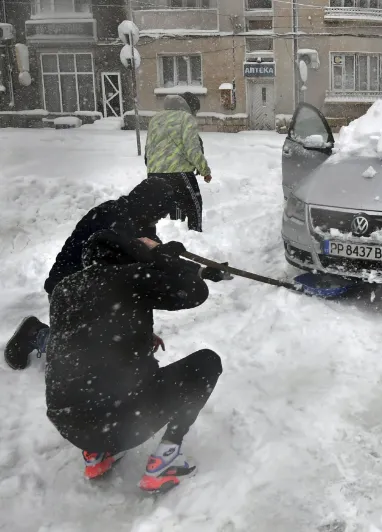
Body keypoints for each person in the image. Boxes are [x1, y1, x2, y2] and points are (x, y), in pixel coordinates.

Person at [45, 230, 229, 492]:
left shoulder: (64, 289)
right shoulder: (129, 277)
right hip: (123, 421)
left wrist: (137, 332)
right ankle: (166, 461)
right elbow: (195, 292)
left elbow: (81, 336)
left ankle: (97, 455)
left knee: (88, 379)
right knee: (207, 363)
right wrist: (165, 258)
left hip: (69, 424)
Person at [4, 177, 177, 371]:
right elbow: (127, 275)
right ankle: (35, 334)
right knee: (89, 356)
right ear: (148, 205)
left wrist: (198, 269)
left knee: (117, 347)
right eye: (159, 213)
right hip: (68, 290)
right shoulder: (112, 218)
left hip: (97, 290)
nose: (160, 219)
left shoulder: (141, 221)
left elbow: (154, 264)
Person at [145, 93, 212, 233]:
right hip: (179, 173)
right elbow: (192, 149)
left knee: (174, 207)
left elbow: (148, 149)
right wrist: (205, 170)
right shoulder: (186, 118)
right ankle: (195, 237)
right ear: (189, 107)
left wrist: (155, 169)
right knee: (194, 206)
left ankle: (175, 236)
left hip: (154, 174)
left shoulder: (155, 119)